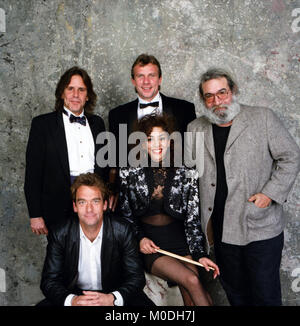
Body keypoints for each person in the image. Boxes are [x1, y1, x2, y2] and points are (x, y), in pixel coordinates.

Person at [185, 68, 300, 306]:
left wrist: (270, 194)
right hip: (221, 231)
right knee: (236, 297)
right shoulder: (195, 128)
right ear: (203, 100)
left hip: (260, 227)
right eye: (209, 96)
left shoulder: (263, 118)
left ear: (234, 91)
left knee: (265, 297)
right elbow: (188, 176)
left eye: (222, 93)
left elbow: (291, 156)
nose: (216, 101)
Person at [118, 114, 219, 306]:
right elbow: (125, 215)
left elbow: (192, 219)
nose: (157, 144)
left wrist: (200, 255)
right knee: (192, 280)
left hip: (181, 242)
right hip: (152, 245)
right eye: (150, 139)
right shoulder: (128, 172)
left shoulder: (186, 172)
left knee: (192, 294)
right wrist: (139, 239)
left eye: (162, 138)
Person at [38, 172, 154, 306]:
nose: (89, 209)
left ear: (104, 205)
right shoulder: (60, 233)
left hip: (112, 293)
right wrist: (73, 301)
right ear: (75, 207)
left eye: (95, 201)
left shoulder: (123, 230)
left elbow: (136, 278)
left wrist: (112, 298)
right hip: (75, 294)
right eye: (82, 202)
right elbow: (49, 281)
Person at [24, 66, 106, 235]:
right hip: (57, 206)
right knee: (61, 257)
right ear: (62, 93)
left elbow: (104, 165)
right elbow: (33, 173)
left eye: (81, 90)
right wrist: (35, 214)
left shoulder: (98, 123)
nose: (76, 95)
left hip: (93, 203)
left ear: (88, 95)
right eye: (70, 89)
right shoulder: (42, 125)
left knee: (93, 254)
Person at [108, 54, 196, 203]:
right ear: (133, 81)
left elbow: (193, 155)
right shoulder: (118, 115)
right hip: (134, 198)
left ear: (160, 79)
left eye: (151, 75)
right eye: (140, 76)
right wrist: (113, 189)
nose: (146, 81)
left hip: (176, 196)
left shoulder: (184, 109)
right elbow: (115, 159)